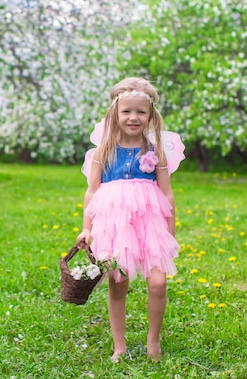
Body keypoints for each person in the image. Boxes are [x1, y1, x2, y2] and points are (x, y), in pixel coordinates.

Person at [76, 77, 181, 363]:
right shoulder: (104, 151)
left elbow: (167, 194)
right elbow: (91, 191)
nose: (133, 117)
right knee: (117, 282)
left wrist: (170, 231)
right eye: (127, 111)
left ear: (150, 116)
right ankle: (119, 345)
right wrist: (87, 227)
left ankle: (153, 341)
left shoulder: (155, 152)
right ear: (115, 113)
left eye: (141, 112)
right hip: (115, 227)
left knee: (158, 282)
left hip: (150, 226)